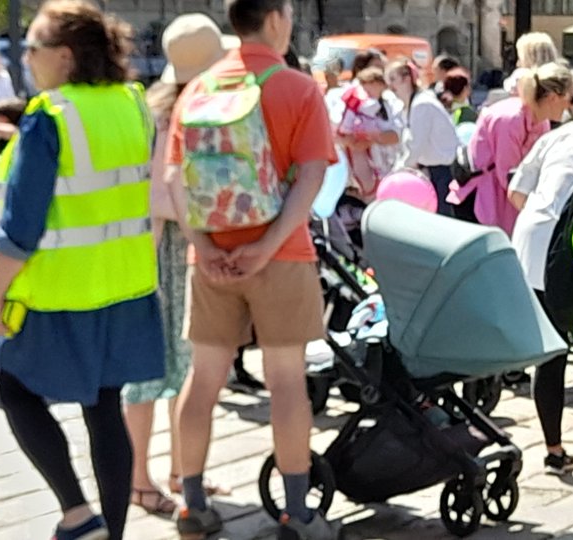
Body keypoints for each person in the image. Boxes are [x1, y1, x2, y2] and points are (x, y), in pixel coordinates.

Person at [0, 2, 165, 539]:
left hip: (61, 290)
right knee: (105, 406)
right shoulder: (133, 103)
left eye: (32, 47)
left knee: (14, 388)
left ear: (63, 56)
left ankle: (76, 513)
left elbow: (21, 226)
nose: (26, 57)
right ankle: (112, 531)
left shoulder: (51, 115)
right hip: (126, 285)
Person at [166, 0, 338, 537]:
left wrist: (204, 244)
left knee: (204, 379)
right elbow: (310, 179)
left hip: (211, 256)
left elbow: (176, 181)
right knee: (286, 381)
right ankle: (296, 512)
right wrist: (265, 247)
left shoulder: (199, 89)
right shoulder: (296, 88)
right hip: (281, 255)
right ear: (279, 18)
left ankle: (192, 504)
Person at [118, 13, 237, 518]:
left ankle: (169, 471)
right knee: (156, 370)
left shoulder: (150, 108)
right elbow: (167, 191)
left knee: (173, 368)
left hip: (155, 246)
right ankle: (143, 477)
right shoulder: (185, 112)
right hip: (167, 247)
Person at [506, 70, 573, 477]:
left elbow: (516, 193)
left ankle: (553, 449)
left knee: (549, 356)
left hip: (533, 243)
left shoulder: (556, 136)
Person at [461, 62, 572, 234]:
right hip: (484, 197)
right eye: (568, 99)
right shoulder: (511, 120)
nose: (569, 106)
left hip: (509, 197)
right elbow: (508, 175)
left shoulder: (541, 121)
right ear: (553, 98)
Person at [386, 60, 459, 216]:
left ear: (406, 79)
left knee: (442, 220)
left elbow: (416, 146)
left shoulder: (421, 105)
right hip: (433, 171)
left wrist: (398, 171)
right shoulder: (416, 103)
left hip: (441, 172)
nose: (390, 86)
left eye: (393, 79)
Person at [337, 67, 400, 201]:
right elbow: (341, 133)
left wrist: (372, 139)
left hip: (390, 166)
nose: (366, 92)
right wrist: (353, 141)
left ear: (379, 84)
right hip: (364, 169)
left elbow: (396, 136)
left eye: (368, 86)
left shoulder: (391, 103)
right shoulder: (356, 105)